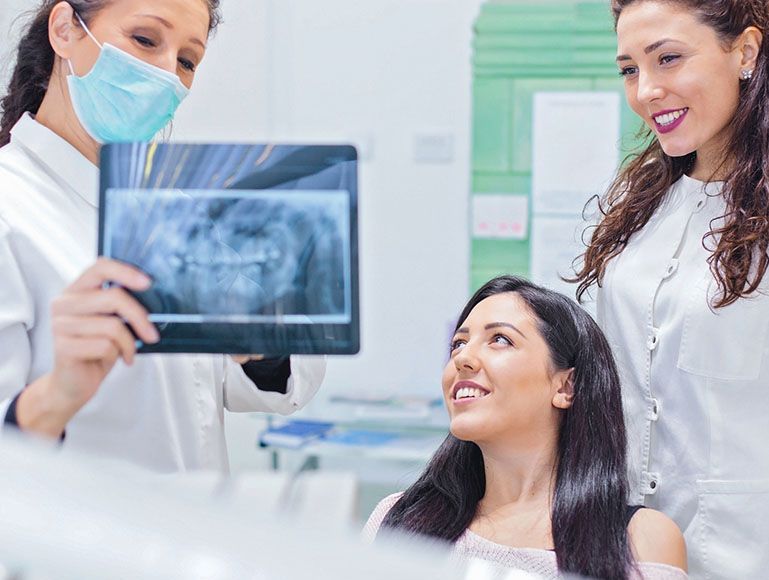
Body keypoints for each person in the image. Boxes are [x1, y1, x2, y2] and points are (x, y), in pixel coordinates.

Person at [0, 0, 325, 471]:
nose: (166, 75)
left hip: (193, 530)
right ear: (66, 29)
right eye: (146, 40)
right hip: (76, 539)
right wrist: (57, 394)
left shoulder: (174, 211)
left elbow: (268, 385)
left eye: (187, 61)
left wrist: (259, 340)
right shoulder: (11, 208)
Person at [570, 0, 769, 576]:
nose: (646, 91)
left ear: (746, 53)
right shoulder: (645, 209)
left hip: (745, 548)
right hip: (625, 539)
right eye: (629, 69)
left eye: (669, 59)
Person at [364, 276, 687, 580]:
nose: (463, 358)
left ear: (567, 387)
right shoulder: (400, 518)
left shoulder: (640, 539)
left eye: (499, 339)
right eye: (458, 344)